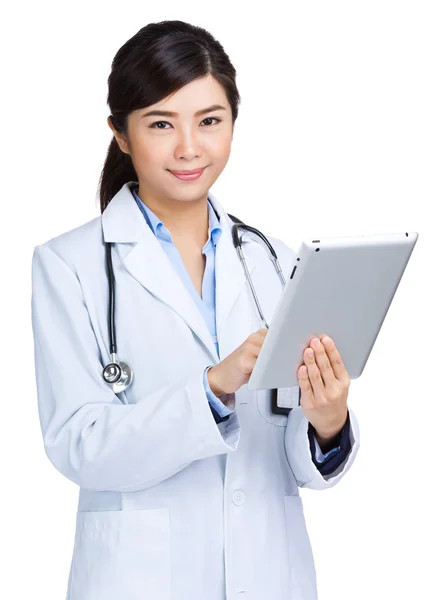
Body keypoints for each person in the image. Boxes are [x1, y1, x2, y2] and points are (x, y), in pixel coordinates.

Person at [31, 20, 359, 600]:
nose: (189, 148)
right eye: (161, 124)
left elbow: (296, 459)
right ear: (122, 134)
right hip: (141, 578)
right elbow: (78, 443)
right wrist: (211, 387)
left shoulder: (274, 261)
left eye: (210, 121)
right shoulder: (70, 265)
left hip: (269, 575)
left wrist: (328, 419)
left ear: (234, 122)